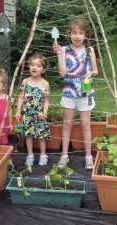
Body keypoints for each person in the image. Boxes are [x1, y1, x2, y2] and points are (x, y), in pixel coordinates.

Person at [53, 17, 98, 169]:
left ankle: (88, 156)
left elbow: (95, 70)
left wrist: (90, 73)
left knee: (85, 124)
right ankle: (64, 156)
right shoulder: (65, 49)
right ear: (69, 34)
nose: (77, 36)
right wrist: (59, 54)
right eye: (74, 32)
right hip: (69, 92)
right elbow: (61, 73)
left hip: (86, 92)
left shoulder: (89, 50)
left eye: (81, 33)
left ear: (86, 34)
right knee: (67, 124)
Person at [15, 54, 51, 166]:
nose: (34, 67)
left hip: (39, 115)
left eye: (38, 66)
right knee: (28, 135)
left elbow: (46, 101)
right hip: (27, 114)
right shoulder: (25, 82)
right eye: (32, 65)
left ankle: (43, 155)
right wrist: (18, 111)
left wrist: (44, 114)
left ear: (43, 69)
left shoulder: (45, 84)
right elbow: (21, 97)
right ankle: (30, 155)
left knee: (41, 135)